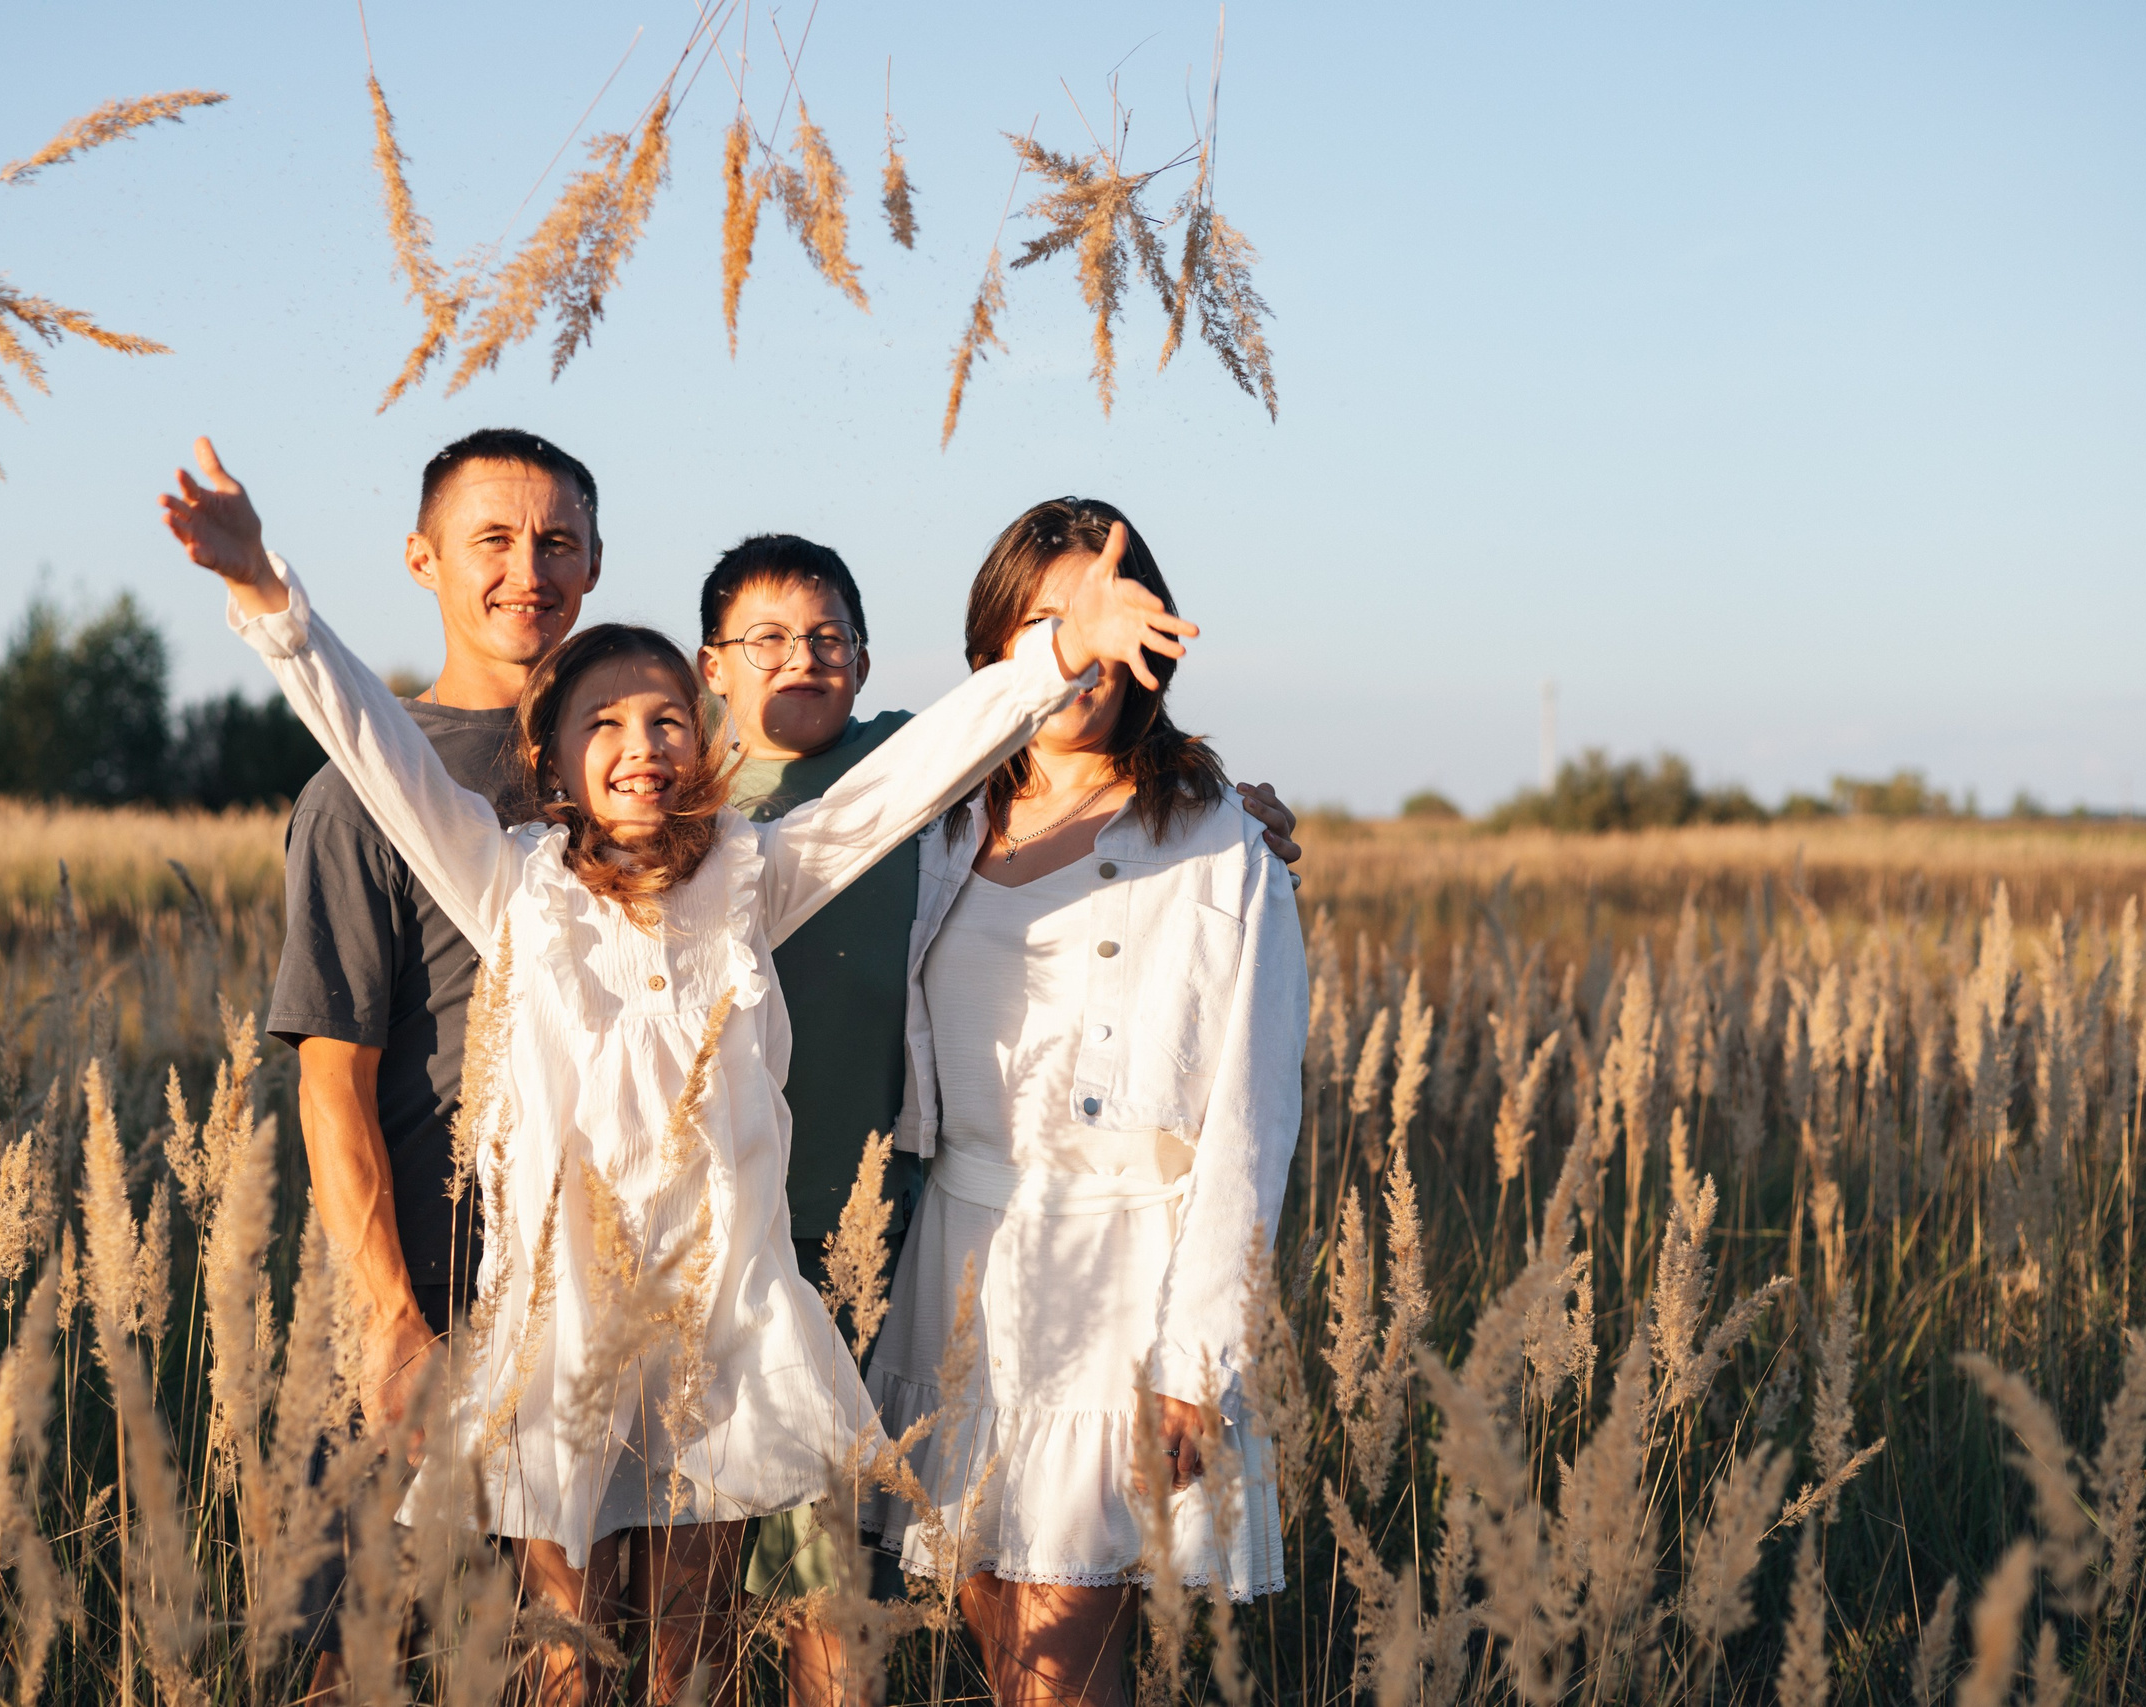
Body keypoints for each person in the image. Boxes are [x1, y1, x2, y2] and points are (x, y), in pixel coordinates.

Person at [160, 439, 1201, 1702]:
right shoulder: (509, 888)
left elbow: (905, 778)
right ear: (553, 763)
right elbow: (376, 747)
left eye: (664, 719)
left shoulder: (751, 877)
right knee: (566, 1653)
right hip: (559, 1333)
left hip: (725, 1331)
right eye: (603, 725)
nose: (640, 745)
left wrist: (1058, 654)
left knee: (687, 1659)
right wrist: (266, 593)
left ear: (700, 743)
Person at [695, 535, 1303, 1707]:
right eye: (1051, 625)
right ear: (996, 653)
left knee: (1061, 1664)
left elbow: (1251, 1121)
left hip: (1121, 1277)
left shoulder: (1220, 840)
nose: (1086, 654)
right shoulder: (937, 817)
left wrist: (1195, 1361)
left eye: (1112, 621)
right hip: (958, 1263)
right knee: (1000, 1642)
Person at [256, 426, 599, 1699]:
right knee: (364, 1666)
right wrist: (393, 1321)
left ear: (594, 563)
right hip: (427, 1299)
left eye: (556, 542)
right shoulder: (362, 788)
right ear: (424, 559)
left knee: (561, 1669)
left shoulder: (631, 771)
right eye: (492, 540)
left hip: (593, 1314)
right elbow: (332, 1081)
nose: (528, 571)